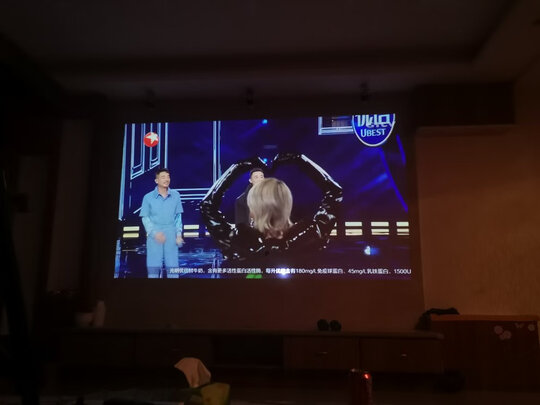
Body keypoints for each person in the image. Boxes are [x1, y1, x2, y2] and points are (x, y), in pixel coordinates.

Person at [200, 153, 342, 265]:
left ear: (253, 208)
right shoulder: (312, 235)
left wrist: (238, 167)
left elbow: (207, 205)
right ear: (287, 204)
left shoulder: (236, 240)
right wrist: (300, 160)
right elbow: (335, 192)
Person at [140, 168, 184, 278]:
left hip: (171, 233)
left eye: (168, 177)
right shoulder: (148, 197)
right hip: (155, 235)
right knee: (153, 270)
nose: (166, 179)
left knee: (173, 269)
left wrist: (178, 235)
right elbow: (145, 218)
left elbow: (178, 217)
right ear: (156, 180)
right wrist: (154, 233)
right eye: (163, 177)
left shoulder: (176, 195)